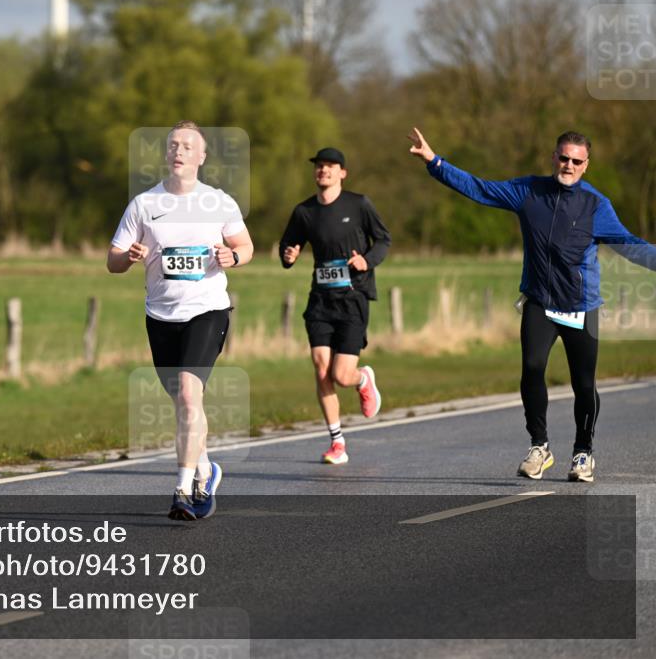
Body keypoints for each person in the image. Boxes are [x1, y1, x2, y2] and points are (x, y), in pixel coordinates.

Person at [409, 127, 656, 482]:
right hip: (540, 301)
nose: (568, 165)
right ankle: (539, 446)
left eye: (576, 161)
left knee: (583, 384)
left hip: (580, 306)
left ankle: (583, 452)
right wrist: (435, 162)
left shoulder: (596, 205)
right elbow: (480, 189)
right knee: (532, 367)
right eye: (563, 157)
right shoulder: (529, 191)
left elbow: (631, 244)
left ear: (586, 165)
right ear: (553, 157)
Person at [108, 121, 254, 521]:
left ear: (202, 157)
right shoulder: (144, 204)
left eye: (188, 146)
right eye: (173, 145)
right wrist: (130, 257)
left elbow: (246, 245)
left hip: (207, 310)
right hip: (160, 315)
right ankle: (207, 469)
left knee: (190, 396)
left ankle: (183, 489)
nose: (179, 150)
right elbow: (113, 261)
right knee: (185, 403)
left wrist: (233, 257)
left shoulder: (219, 202)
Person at [279, 148, 390, 465]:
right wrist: (288, 255)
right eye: (318, 166)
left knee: (342, 375)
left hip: (353, 298)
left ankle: (362, 378)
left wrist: (365, 261)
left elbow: (383, 240)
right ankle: (337, 442)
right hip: (320, 299)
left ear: (342, 172)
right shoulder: (304, 211)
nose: (323, 171)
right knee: (320, 367)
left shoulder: (359, 204)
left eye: (330, 166)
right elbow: (287, 244)